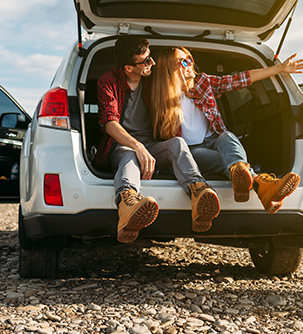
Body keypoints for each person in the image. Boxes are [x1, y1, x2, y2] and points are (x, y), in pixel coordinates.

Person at [151, 47, 303, 213]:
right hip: (189, 152)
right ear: (168, 67)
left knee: (227, 136)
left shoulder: (202, 83)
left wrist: (279, 68)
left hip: (214, 140)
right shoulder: (158, 96)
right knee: (225, 160)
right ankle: (260, 184)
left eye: (190, 59)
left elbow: (239, 79)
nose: (190, 64)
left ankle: (243, 175)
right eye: (184, 61)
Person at [94, 36, 220, 243]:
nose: (151, 63)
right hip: (122, 145)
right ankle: (128, 205)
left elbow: (178, 78)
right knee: (129, 157)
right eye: (145, 61)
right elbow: (110, 123)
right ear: (128, 68)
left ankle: (198, 193)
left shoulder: (152, 79)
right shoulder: (108, 81)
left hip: (153, 143)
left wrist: (184, 63)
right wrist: (138, 146)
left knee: (177, 144)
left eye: (150, 57)